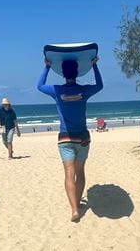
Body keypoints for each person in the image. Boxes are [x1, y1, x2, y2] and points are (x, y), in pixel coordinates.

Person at [38, 56, 104, 221]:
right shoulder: (84, 90)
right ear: (77, 72)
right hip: (82, 137)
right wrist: (94, 65)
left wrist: (47, 67)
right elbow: (100, 85)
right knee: (80, 172)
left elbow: (39, 86)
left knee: (69, 173)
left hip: (65, 138)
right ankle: (78, 203)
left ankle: (74, 210)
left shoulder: (56, 90)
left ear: (63, 73)